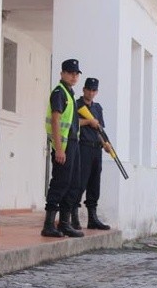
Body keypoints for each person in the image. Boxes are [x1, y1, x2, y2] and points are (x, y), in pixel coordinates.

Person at [42, 59, 84, 238]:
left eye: (76, 73)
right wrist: (59, 149)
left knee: (73, 184)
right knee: (60, 183)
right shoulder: (59, 93)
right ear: (62, 74)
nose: (73, 76)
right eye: (70, 72)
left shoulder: (70, 94)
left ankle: (65, 223)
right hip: (64, 146)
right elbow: (56, 120)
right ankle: (49, 224)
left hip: (73, 144)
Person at [73, 77, 111, 230]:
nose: (91, 92)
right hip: (83, 147)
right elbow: (72, 121)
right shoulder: (77, 105)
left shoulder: (97, 108)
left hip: (96, 148)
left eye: (94, 90)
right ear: (84, 89)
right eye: (89, 89)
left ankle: (92, 218)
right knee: (80, 181)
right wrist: (88, 121)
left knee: (94, 183)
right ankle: (73, 216)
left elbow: (100, 129)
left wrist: (105, 143)